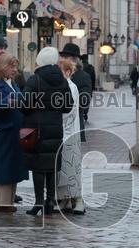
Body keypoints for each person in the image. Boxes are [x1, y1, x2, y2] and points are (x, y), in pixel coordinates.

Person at [21, 46, 73, 216]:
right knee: (52, 167)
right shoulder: (62, 80)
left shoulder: (34, 80)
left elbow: (25, 105)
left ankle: (38, 202)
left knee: (38, 167)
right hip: (55, 129)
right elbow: (67, 107)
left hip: (38, 129)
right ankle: (50, 201)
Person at [0, 53, 27, 213]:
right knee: (2, 166)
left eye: (16, 66)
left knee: (12, 166)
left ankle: (8, 201)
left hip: (13, 131)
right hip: (1, 131)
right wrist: (6, 102)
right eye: (12, 66)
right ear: (3, 66)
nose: (15, 70)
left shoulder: (13, 84)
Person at [56, 56, 84, 215]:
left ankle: (78, 199)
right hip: (63, 132)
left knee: (71, 168)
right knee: (63, 169)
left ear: (67, 72)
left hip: (70, 132)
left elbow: (69, 111)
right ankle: (65, 199)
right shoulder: (63, 85)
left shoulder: (71, 87)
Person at [59, 44, 92, 141]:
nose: (63, 59)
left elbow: (84, 101)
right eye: (63, 56)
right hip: (59, 126)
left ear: (74, 59)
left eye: (66, 57)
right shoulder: (58, 74)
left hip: (74, 124)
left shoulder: (83, 76)